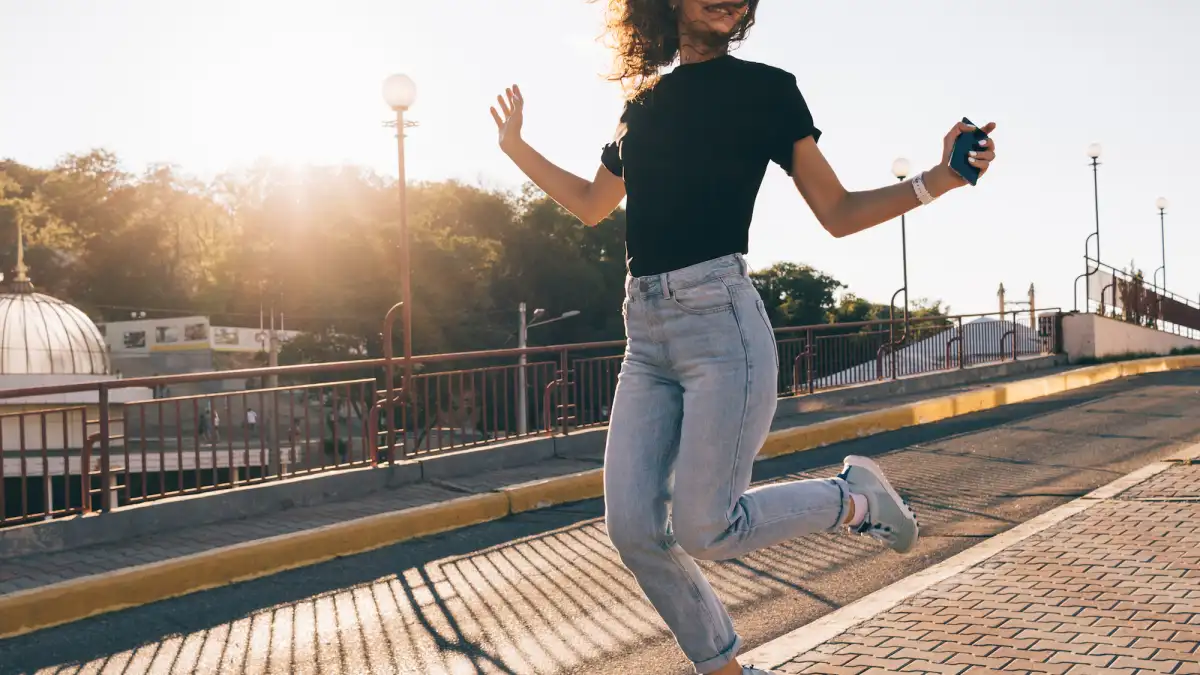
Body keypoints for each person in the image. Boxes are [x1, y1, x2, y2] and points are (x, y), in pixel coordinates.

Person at [490, 1, 997, 673]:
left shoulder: (767, 90)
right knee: (634, 528)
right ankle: (724, 667)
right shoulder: (641, 105)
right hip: (644, 336)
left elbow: (838, 212)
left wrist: (943, 179)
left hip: (721, 325)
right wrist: (516, 148)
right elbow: (591, 204)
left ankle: (855, 500)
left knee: (706, 527)